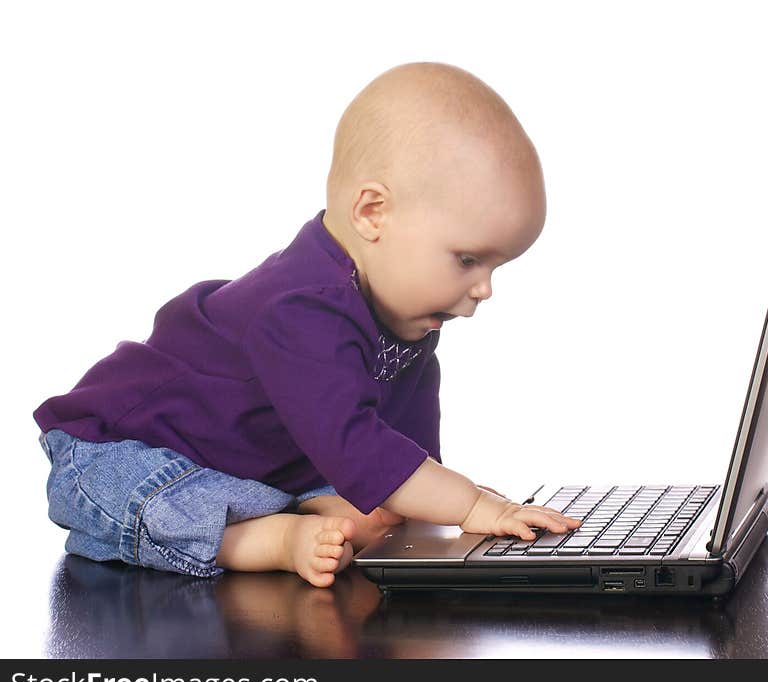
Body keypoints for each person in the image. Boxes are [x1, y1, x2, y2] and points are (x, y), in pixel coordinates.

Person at [33, 62, 581, 588]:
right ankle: (258, 541)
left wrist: (418, 495)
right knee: (160, 501)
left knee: (368, 503)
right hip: (116, 450)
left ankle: (293, 508)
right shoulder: (301, 309)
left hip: (252, 460)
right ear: (372, 213)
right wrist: (473, 505)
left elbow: (401, 445)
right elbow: (356, 445)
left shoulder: (405, 318)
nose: (484, 289)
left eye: (495, 267)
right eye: (467, 260)